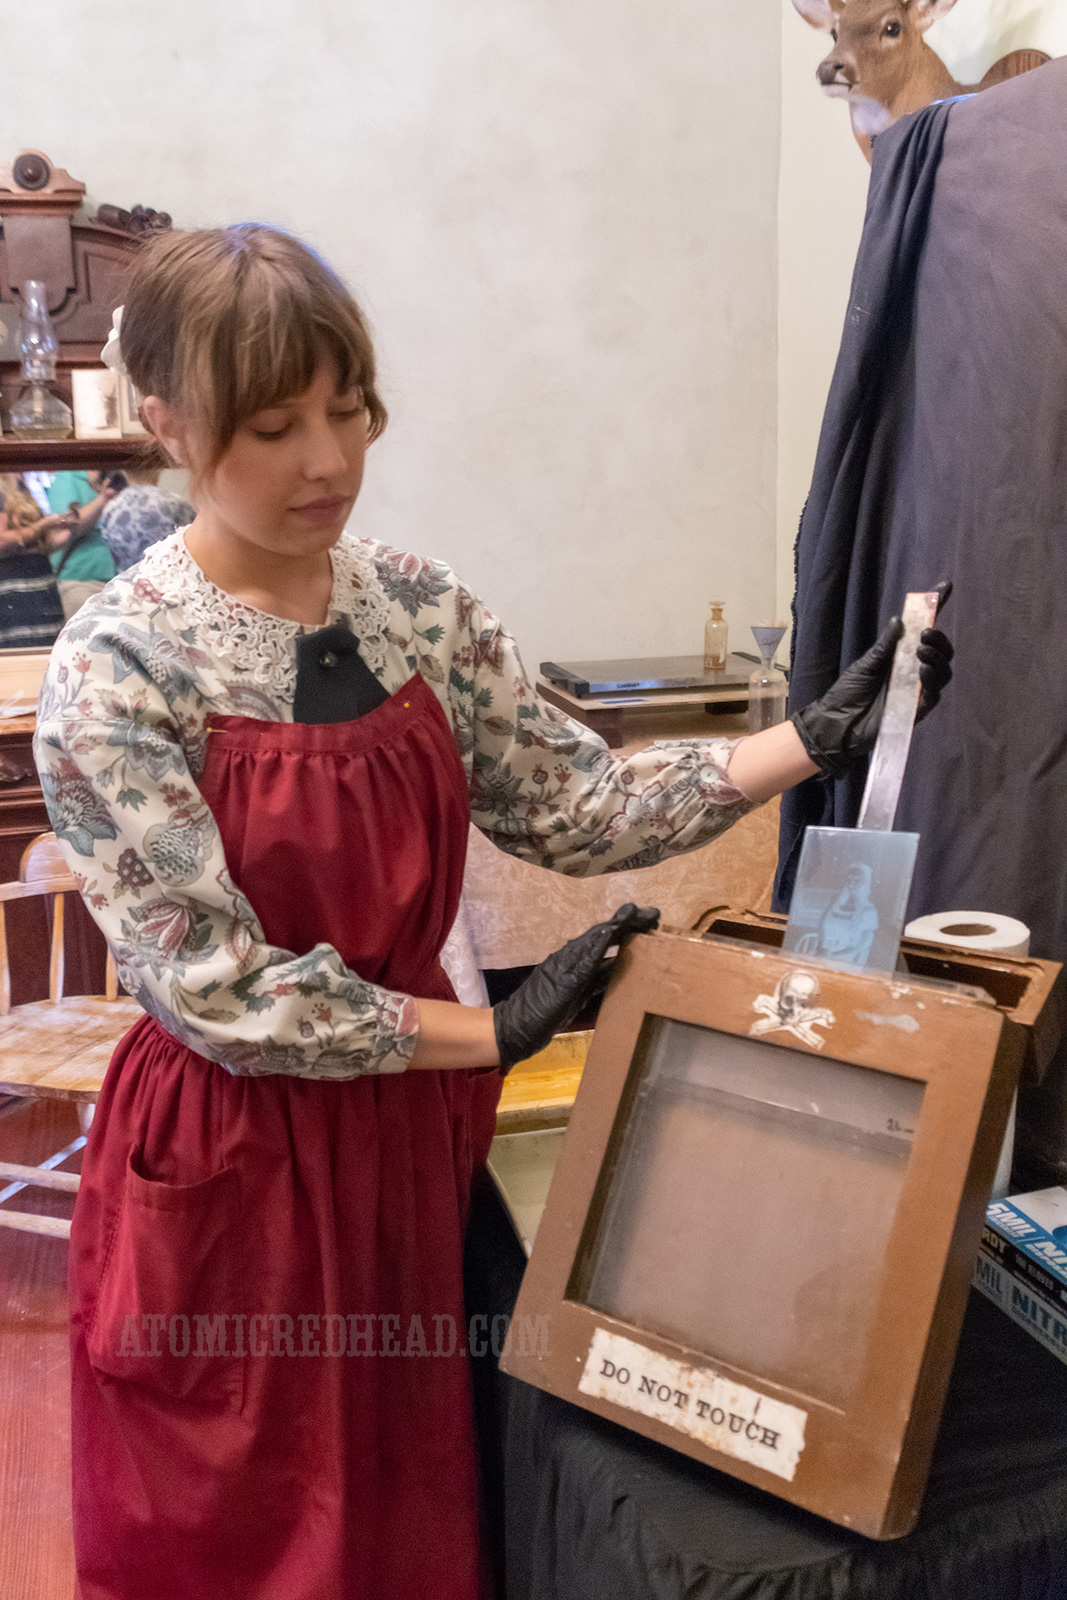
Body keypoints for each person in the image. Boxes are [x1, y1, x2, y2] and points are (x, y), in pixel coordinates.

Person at [33, 223, 952, 1600]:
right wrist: (492, 1032)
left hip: (411, 1138)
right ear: (163, 422)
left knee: (416, 1499)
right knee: (250, 1524)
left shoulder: (415, 606)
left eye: (347, 411)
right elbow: (215, 989)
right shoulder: (119, 670)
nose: (327, 462)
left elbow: (572, 805)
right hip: (240, 1160)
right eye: (272, 426)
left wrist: (810, 739)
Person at [0, 476, 65, 648]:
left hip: (42, 587)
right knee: (21, 653)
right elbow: (3, 541)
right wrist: (44, 525)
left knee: (49, 650)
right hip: (15, 592)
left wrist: (71, 528)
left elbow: (44, 545)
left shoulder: (25, 488)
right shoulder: (2, 494)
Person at [98, 465, 196, 571]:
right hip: (172, 576)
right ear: (158, 470)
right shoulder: (176, 503)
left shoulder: (110, 509)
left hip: (129, 581)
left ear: (123, 471)